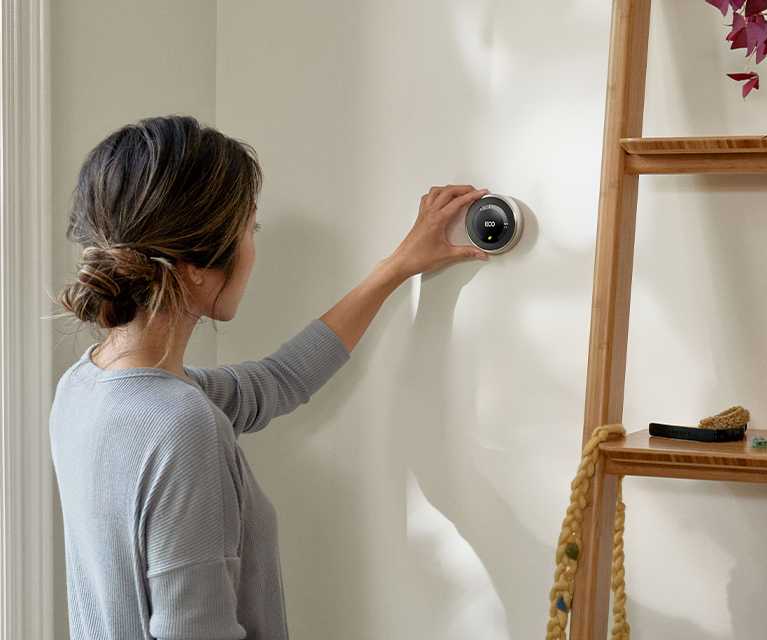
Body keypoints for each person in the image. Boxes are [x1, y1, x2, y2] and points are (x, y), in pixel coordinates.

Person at [48, 114, 490, 639]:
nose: (253, 248)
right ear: (195, 266)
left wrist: (396, 267)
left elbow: (276, 382)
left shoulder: (83, 386)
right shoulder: (180, 424)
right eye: (249, 230)